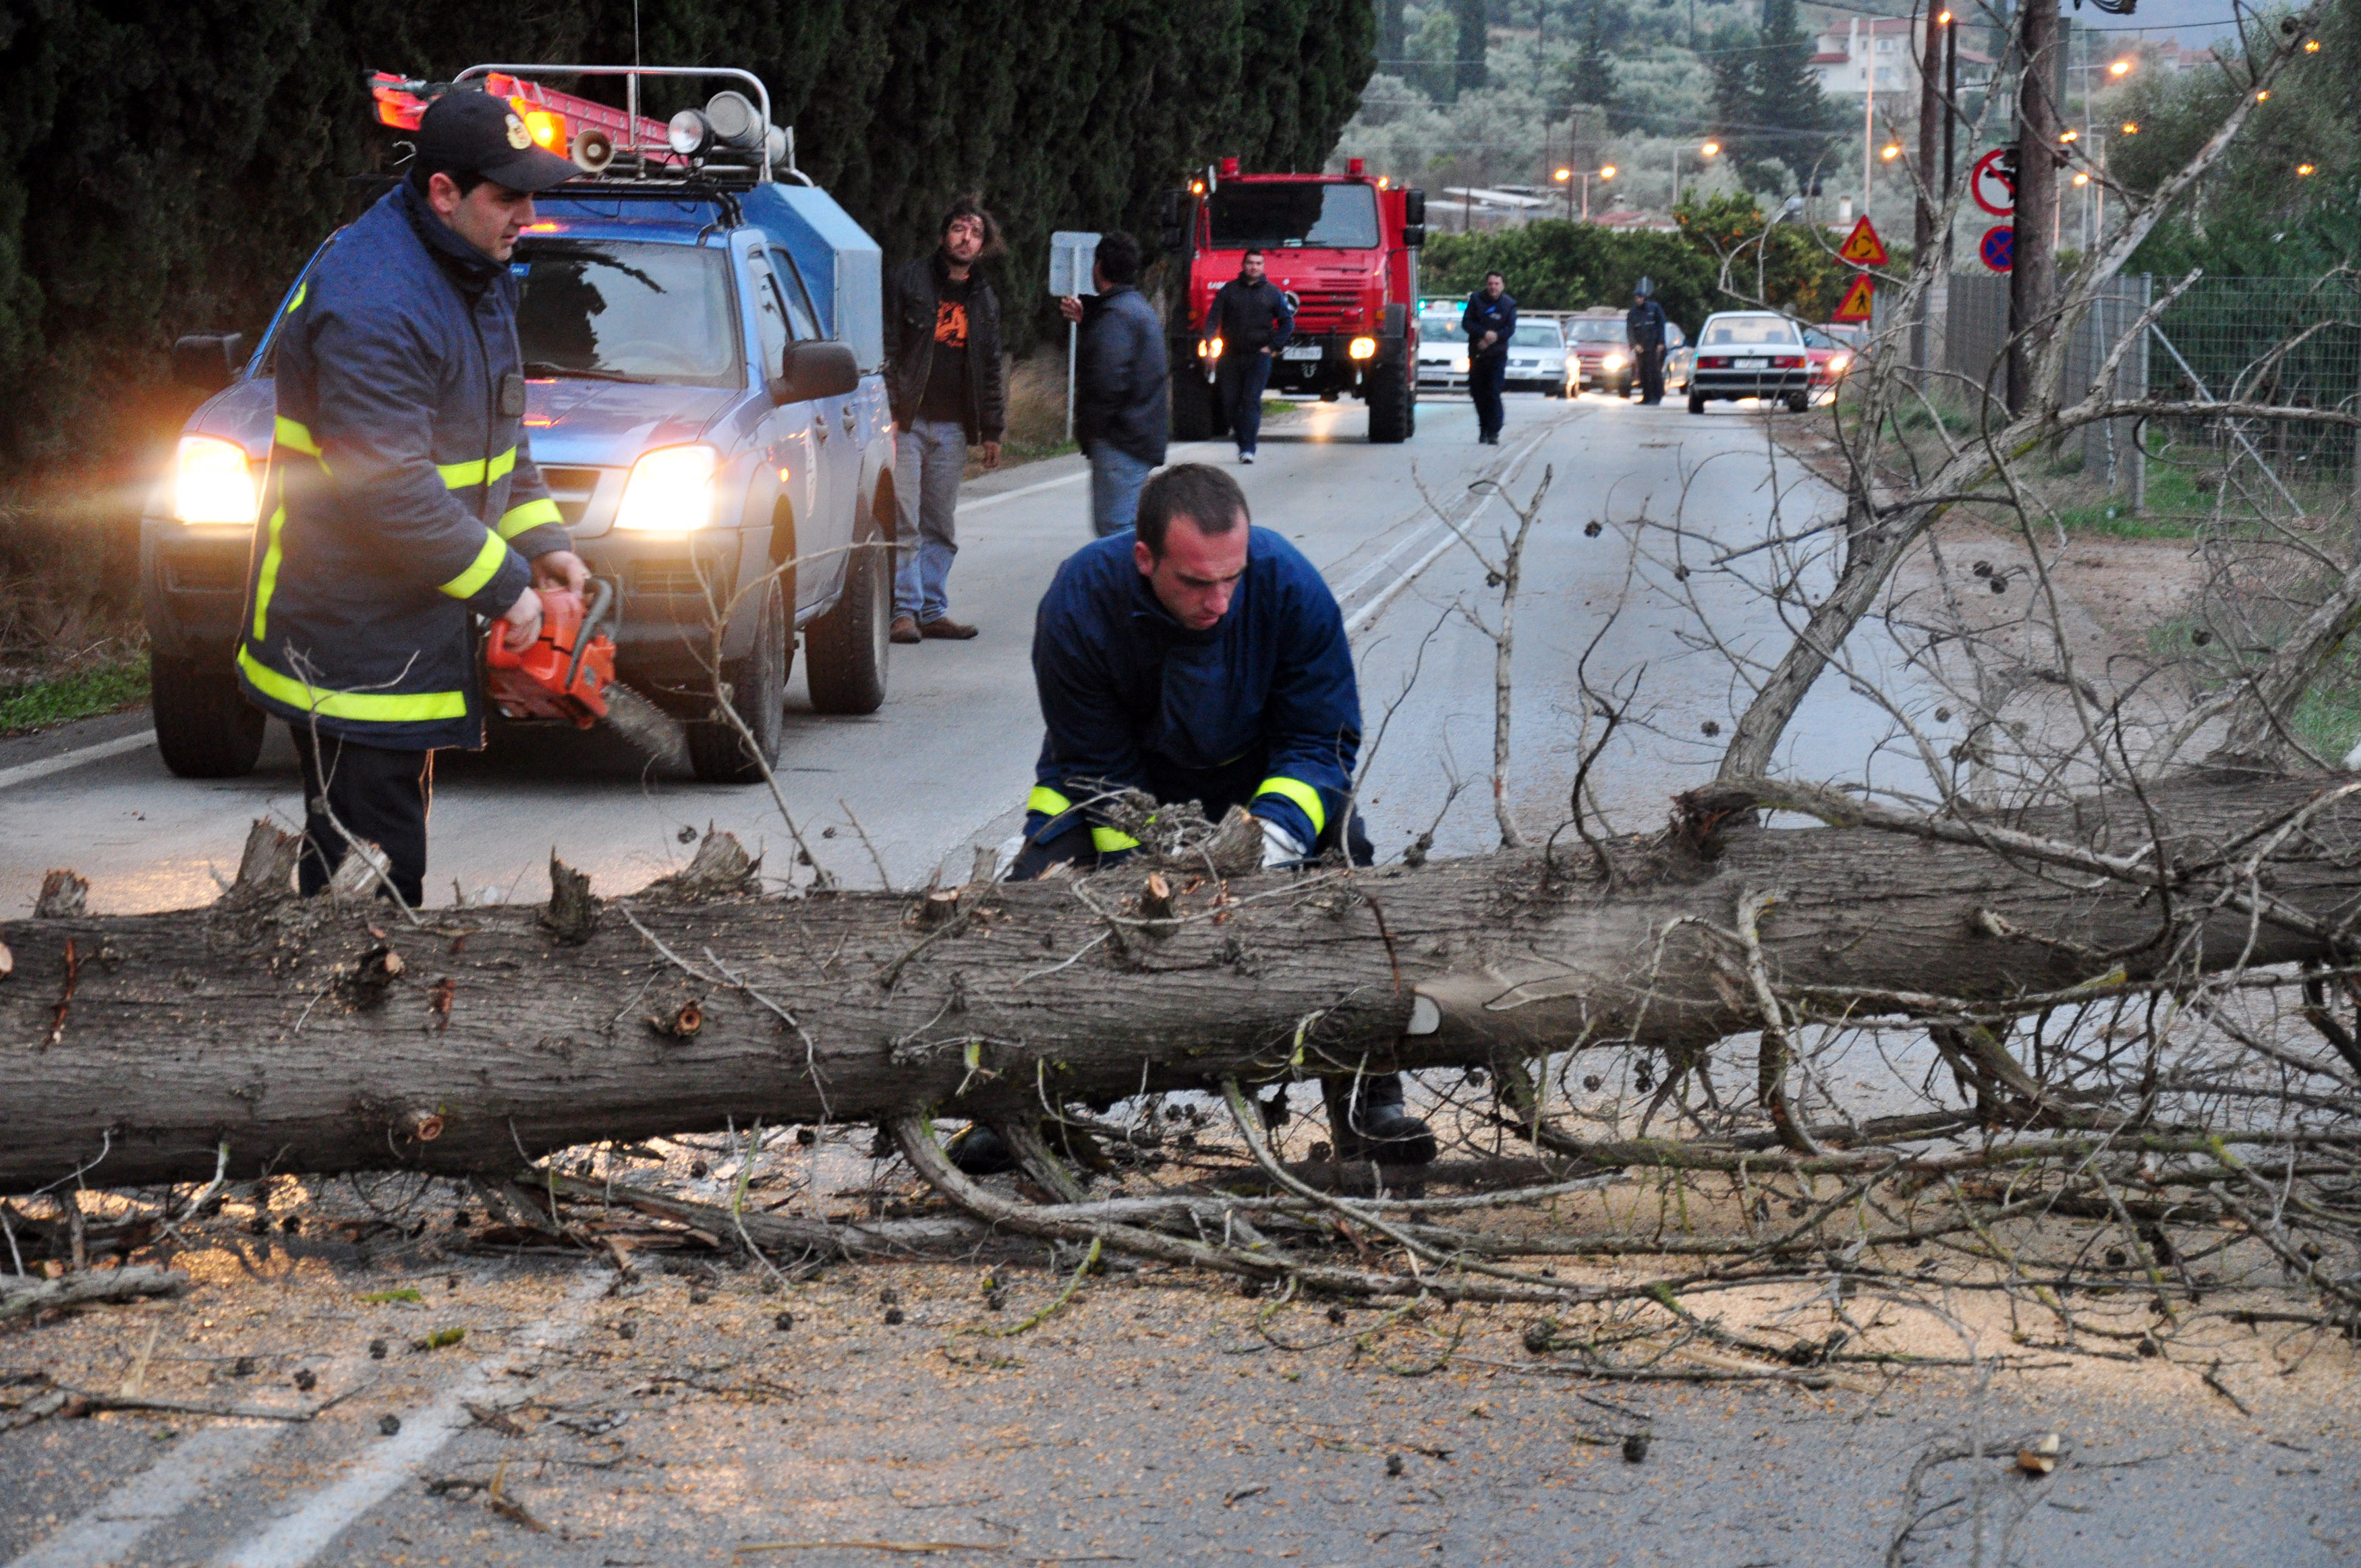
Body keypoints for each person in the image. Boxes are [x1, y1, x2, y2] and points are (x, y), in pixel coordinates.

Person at [957, 463, 1435, 1173]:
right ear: (1144, 558)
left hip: (1255, 785)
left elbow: (1319, 741)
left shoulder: (1287, 586)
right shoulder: (1080, 599)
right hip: (1114, 791)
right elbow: (1096, 767)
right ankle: (1021, 1113)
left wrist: (1267, 844)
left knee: (1344, 882)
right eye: (1194, 583)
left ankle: (1370, 1103)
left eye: (1229, 579)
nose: (1218, 602)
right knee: (1035, 906)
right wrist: (1147, 879)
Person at [236, 88, 586, 908]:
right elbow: (387, 491)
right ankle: (351, 1028)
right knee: (369, 883)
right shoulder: (373, 299)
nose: (526, 214)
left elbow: (503, 438)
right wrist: (508, 589)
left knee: (385, 861)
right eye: (507, 196)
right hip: (344, 638)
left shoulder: (477, 271)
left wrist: (547, 543)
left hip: (406, 624)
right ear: (442, 191)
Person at [882, 196, 1006, 644]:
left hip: (954, 428)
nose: (965, 237)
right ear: (943, 235)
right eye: (958, 228)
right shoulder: (909, 279)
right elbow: (889, 347)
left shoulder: (985, 299)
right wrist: (892, 411)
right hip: (909, 423)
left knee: (940, 523)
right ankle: (903, 612)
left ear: (982, 244)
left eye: (974, 232)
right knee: (905, 520)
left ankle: (932, 609)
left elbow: (990, 367)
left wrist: (992, 429)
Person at [1058, 232, 1168, 535]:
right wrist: (1089, 319)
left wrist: (1093, 432)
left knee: (1115, 530)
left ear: (1099, 267)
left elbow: (1107, 382)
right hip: (1137, 435)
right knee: (1126, 528)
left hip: (1120, 439)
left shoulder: (1117, 317)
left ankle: (1127, 585)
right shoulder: (1133, 309)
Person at [1204, 249, 1292, 464]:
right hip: (1231, 356)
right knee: (1231, 402)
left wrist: (1272, 346)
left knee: (1251, 400)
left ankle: (1248, 448)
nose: (1254, 267)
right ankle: (1243, 439)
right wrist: (1210, 347)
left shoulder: (1272, 293)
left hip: (1259, 357)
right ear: (1243, 265)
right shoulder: (1228, 291)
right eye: (1250, 263)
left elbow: (1287, 323)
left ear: (1263, 267)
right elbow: (1212, 321)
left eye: (1258, 263)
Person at [1461, 271, 1516, 444]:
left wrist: (1495, 337)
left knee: (1493, 392)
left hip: (1497, 356)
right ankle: (1484, 427)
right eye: (1490, 284)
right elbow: (1467, 323)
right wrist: (1483, 334)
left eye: (1497, 284)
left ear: (1503, 286)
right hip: (1478, 355)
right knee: (1479, 394)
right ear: (1487, 285)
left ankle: (1494, 431)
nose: (1493, 287)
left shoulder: (1509, 305)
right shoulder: (1476, 300)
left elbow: (1510, 329)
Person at [1625, 277, 1669, 407]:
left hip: (1654, 347)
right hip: (1641, 348)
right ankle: (1646, 397)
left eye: (1640, 297)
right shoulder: (1633, 313)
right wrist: (1634, 345)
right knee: (1643, 373)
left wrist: (1661, 342)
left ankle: (1656, 398)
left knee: (1654, 373)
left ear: (1644, 297)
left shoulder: (1654, 309)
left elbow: (1661, 325)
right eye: (1636, 297)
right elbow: (1630, 330)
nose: (1638, 299)